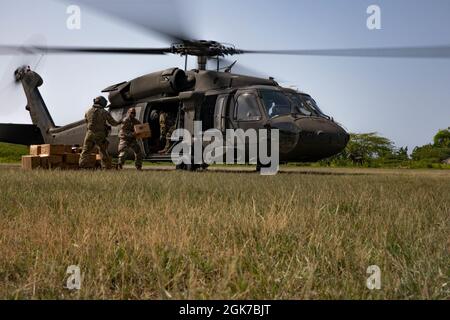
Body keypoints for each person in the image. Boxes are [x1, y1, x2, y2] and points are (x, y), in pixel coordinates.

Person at [79, 96, 121, 169]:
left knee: (85, 151)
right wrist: (120, 122)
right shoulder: (104, 112)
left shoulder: (88, 111)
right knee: (103, 151)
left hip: (89, 134)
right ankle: (106, 167)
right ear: (102, 103)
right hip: (100, 135)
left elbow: (87, 122)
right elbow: (113, 123)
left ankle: (82, 165)